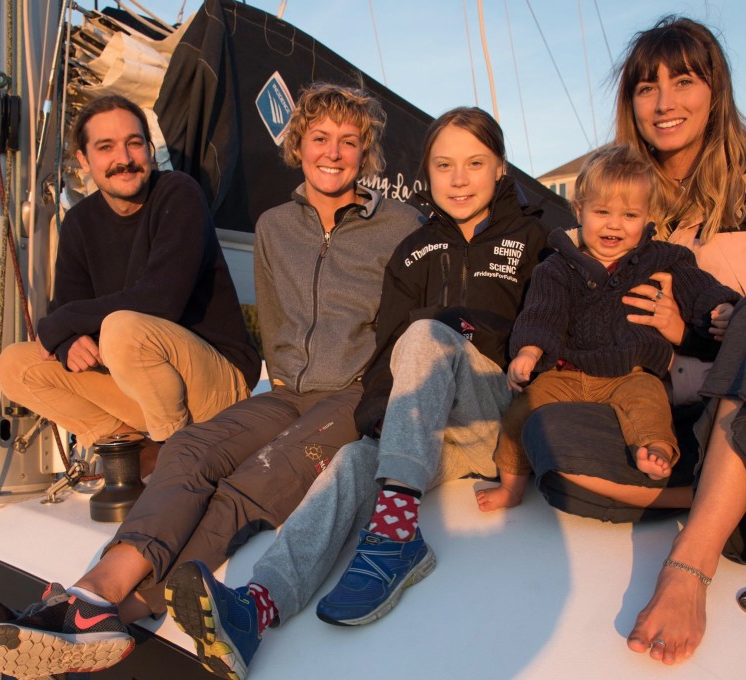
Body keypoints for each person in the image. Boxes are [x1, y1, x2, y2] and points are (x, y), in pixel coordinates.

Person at [0, 83, 422, 679]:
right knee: (186, 447)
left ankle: (125, 612)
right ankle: (89, 596)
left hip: (356, 394)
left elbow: (415, 326)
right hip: (287, 390)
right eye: (320, 138)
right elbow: (282, 323)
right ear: (298, 146)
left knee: (256, 478)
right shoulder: (273, 227)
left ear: (367, 154)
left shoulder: (401, 225)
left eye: (349, 141)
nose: (333, 153)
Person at [161, 106, 552, 679]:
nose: (460, 178)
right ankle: (256, 606)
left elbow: (559, 325)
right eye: (444, 165)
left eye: (475, 163)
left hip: (500, 411)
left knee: (427, 333)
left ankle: (394, 537)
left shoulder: (537, 238)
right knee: (351, 460)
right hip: (436, 433)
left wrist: (523, 444)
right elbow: (388, 355)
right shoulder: (414, 252)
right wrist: (378, 421)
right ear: (427, 173)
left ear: (500, 169)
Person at [518, 16, 746, 665]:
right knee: (549, 441)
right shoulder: (622, 201)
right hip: (683, 423)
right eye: (647, 86)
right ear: (630, 103)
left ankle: (691, 563)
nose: (664, 101)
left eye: (683, 80)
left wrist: (692, 332)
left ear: (715, 90)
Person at [0, 94, 260, 467]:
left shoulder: (178, 193)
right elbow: (67, 306)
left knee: (122, 328)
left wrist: (62, 323)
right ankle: (134, 452)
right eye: (106, 147)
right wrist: (69, 339)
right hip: (139, 384)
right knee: (12, 365)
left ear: (149, 150)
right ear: (84, 160)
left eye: (134, 143)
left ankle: (177, 462)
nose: (124, 159)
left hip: (218, 384)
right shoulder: (80, 223)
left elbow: (161, 300)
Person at [476, 143, 740, 512]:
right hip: (567, 372)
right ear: (579, 210)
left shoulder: (660, 258)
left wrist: (721, 306)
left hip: (630, 372)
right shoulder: (558, 267)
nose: (614, 224)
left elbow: (698, 286)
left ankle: (655, 450)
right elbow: (543, 312)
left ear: (647, 217)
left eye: (629, 215)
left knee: (649, 404)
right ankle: (512, 487)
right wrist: (530, 350)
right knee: (520, 413)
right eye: (602, 212)